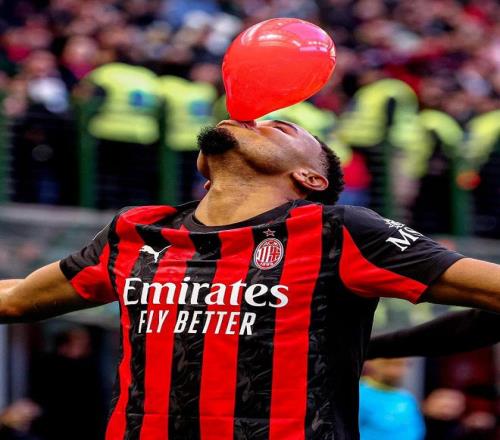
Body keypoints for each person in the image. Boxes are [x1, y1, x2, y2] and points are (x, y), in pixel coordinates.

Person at [0, 119, 499, 440]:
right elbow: (16, 299)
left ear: (310, 179)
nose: (252, 117)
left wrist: (378, 347)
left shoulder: (340, 231)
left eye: (282, 126)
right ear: (205, 172)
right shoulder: (137, 231)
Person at [359, 358, 425, 440]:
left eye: (400, 364)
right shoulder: (361, 393)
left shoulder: (407, 399)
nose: (395, 370)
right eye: (389, 364)